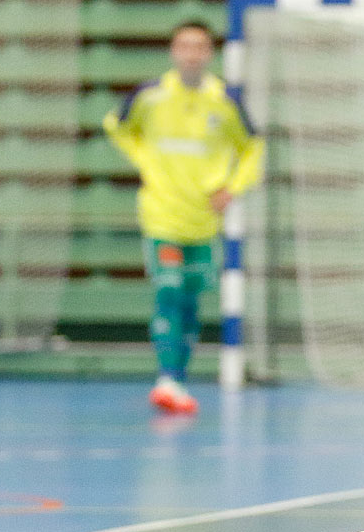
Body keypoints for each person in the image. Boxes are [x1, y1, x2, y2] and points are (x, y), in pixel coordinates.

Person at [103, 22, 265, 416]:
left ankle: (177, 379)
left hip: (202, 221)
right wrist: (145, 161)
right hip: (161, 215)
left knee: (191, 301)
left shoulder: (225, 100)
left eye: (199, 46)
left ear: (210, 53)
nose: (191, 53)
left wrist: (234, 187)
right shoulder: (150, 95)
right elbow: (116, 126)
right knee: (169, 290)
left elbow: (253, 146)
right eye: (184, 46)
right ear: (173, 51)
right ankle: (167, 378)